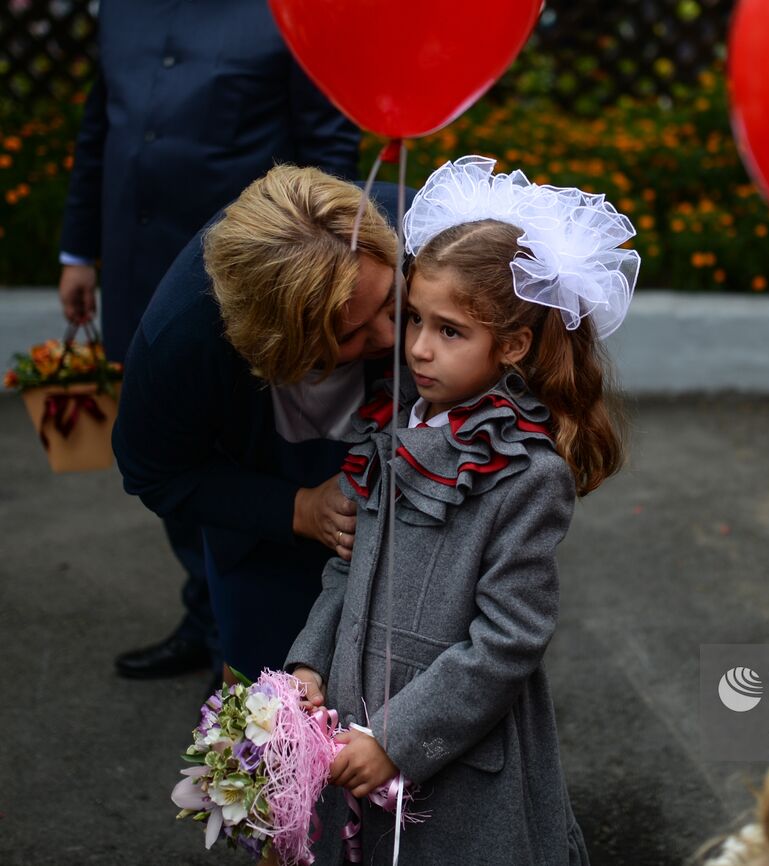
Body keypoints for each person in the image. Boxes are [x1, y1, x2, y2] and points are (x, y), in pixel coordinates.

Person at [285, 155, 637, 864]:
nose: (416, 347)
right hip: (352, 723)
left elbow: (507, 641)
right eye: (413, 318)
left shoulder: (525, 475)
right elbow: (344, 569)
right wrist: (308, 663)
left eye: (450, 331)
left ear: (509, 345)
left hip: (453, 757)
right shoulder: (392, 433)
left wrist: (396, 740)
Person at [58, 0, 361, 684]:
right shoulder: (120, 10)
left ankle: (254, 633)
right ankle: (206, 615)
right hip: (139, 272)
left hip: (255, 291)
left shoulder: (287, 12)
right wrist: (78, 250)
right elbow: (101, 132)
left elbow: (328, 150)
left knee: (247, 452)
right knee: (167, 443)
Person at [111, 165, 408, 685]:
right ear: (277, 342)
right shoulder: (180, 341)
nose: (390, 336)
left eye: (394, 303)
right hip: (264, 529)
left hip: (409, 539)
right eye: (352, 332)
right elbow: (155, 473)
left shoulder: (421, 228)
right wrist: (299, 510)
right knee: (274, 700)